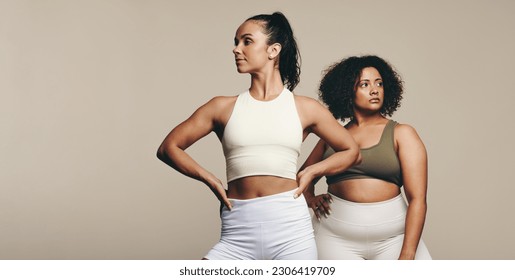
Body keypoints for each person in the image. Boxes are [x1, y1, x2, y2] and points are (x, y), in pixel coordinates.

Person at [156, 12, 360, 260]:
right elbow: (169, 147)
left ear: (273, 50)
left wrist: (312, 171)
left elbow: (352, 151)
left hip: (291, 231)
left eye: (246, 41)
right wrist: (211, 180)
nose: (236, 49)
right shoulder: (221, 107)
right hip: (237, 230)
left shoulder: (305, 108)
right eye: (235, 42)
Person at [300, 55, 432, 260]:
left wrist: (408, 252)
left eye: (379, 83)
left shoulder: (402, 133)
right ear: (347, 91)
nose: (375, 90)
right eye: (365, 84)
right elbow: (302, 177)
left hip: (394, 238)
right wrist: (310, 198)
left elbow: (418, 200)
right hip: (335, 238)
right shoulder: (332, 137)